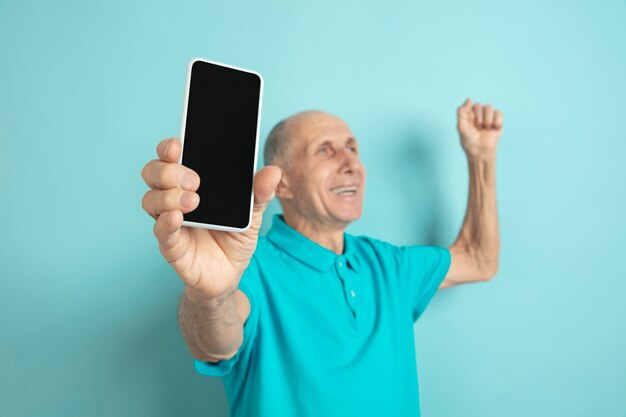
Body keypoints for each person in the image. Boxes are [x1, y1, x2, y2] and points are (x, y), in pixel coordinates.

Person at [140, 98, 502, 417]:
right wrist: (212, 296)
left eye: (352, 148)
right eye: (325, 150)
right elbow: (215, 342)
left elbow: (478, 259)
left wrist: (481, 156)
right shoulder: (247, 266)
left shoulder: (387, 264)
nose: (351, 164)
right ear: (282, 183)